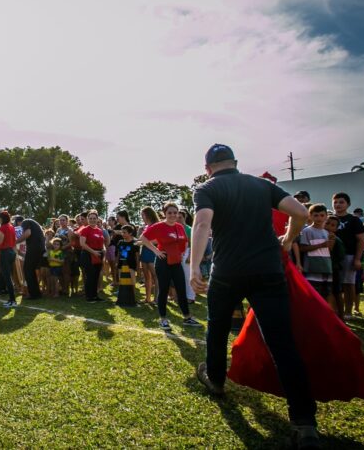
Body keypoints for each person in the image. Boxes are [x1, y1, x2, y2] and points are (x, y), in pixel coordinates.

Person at [189, 144, 319, 447]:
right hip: (268, 270)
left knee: (218, 329)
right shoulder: (263, 185)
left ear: (208, 167)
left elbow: (203, 223)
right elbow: (300, 212)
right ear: (235, 162)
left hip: (227, 271)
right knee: (282, 342)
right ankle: (304, 421)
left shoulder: (206, 188)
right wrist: (287, 239)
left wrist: (194, 265)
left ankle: (216, 380)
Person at [139, 203, 200, 330]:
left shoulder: (179, 226)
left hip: (176, 261)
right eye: (170, 213)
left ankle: (187, 317)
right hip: (163, 261)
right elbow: (143, 238)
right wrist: (156, 251)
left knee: (181, 289)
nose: (173, 215)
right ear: (165, 213)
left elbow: (185, 241)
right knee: (164, 290)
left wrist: (182, 253)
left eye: (175, 212)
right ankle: (163, 319)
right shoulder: (159, 226)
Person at [332, 193, 364, 319]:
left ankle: (348, 311)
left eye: (341, 202)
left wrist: (357, 258)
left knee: (348, 284)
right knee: (334, 285)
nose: (338, 205)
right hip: (331, 257)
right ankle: (336, 310)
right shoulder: (328, 218)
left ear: (348, 204)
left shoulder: (354, 220)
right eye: (335, 202)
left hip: (349, 255)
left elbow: (361, 239)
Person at [298, 205, 335, 306]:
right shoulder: (307, 231)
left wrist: (331, 241)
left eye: (322, 215)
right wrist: (321, 245)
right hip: (312, 267)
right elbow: (303, 248)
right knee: (313, 294)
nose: (319, 218)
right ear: (310, 216)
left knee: (327, 293)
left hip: (326, 267)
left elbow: (329, 250)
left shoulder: (327, 232)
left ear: (326, 216)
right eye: (316, 215)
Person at [14, 215, 47, 300]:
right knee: (31, 270)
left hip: (34, 247)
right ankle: (36, 293)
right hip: (39, 247)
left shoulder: (25, 222)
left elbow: (28, 233)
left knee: (27, 269)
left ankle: (33, 294)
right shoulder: (33, 223)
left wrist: (15, 242)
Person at [78, 210, 107, 302]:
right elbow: (82, 244)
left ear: (97, 219)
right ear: (88, 219)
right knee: (90, 275)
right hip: (88, 254)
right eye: (90, 218)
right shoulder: (85, 229)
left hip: (98, 254)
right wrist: (93, 252)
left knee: (96, 275)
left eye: (94, 218)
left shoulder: (99, 230)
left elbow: (102, 243)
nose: (92, 220)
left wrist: (104, 249)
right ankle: (89, 297)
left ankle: (95, 296)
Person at [138, 207, 160, 305]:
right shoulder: (145, 226)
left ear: (148, 214)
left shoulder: (157, 225)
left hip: (153, 252)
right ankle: (147, 298)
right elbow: (141, 239)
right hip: (145, 252)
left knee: (156, 276)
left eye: (143, 215)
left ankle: (157, 298)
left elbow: (159, 239)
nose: (142, 217)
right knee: (146, 276)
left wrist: (145, 243)